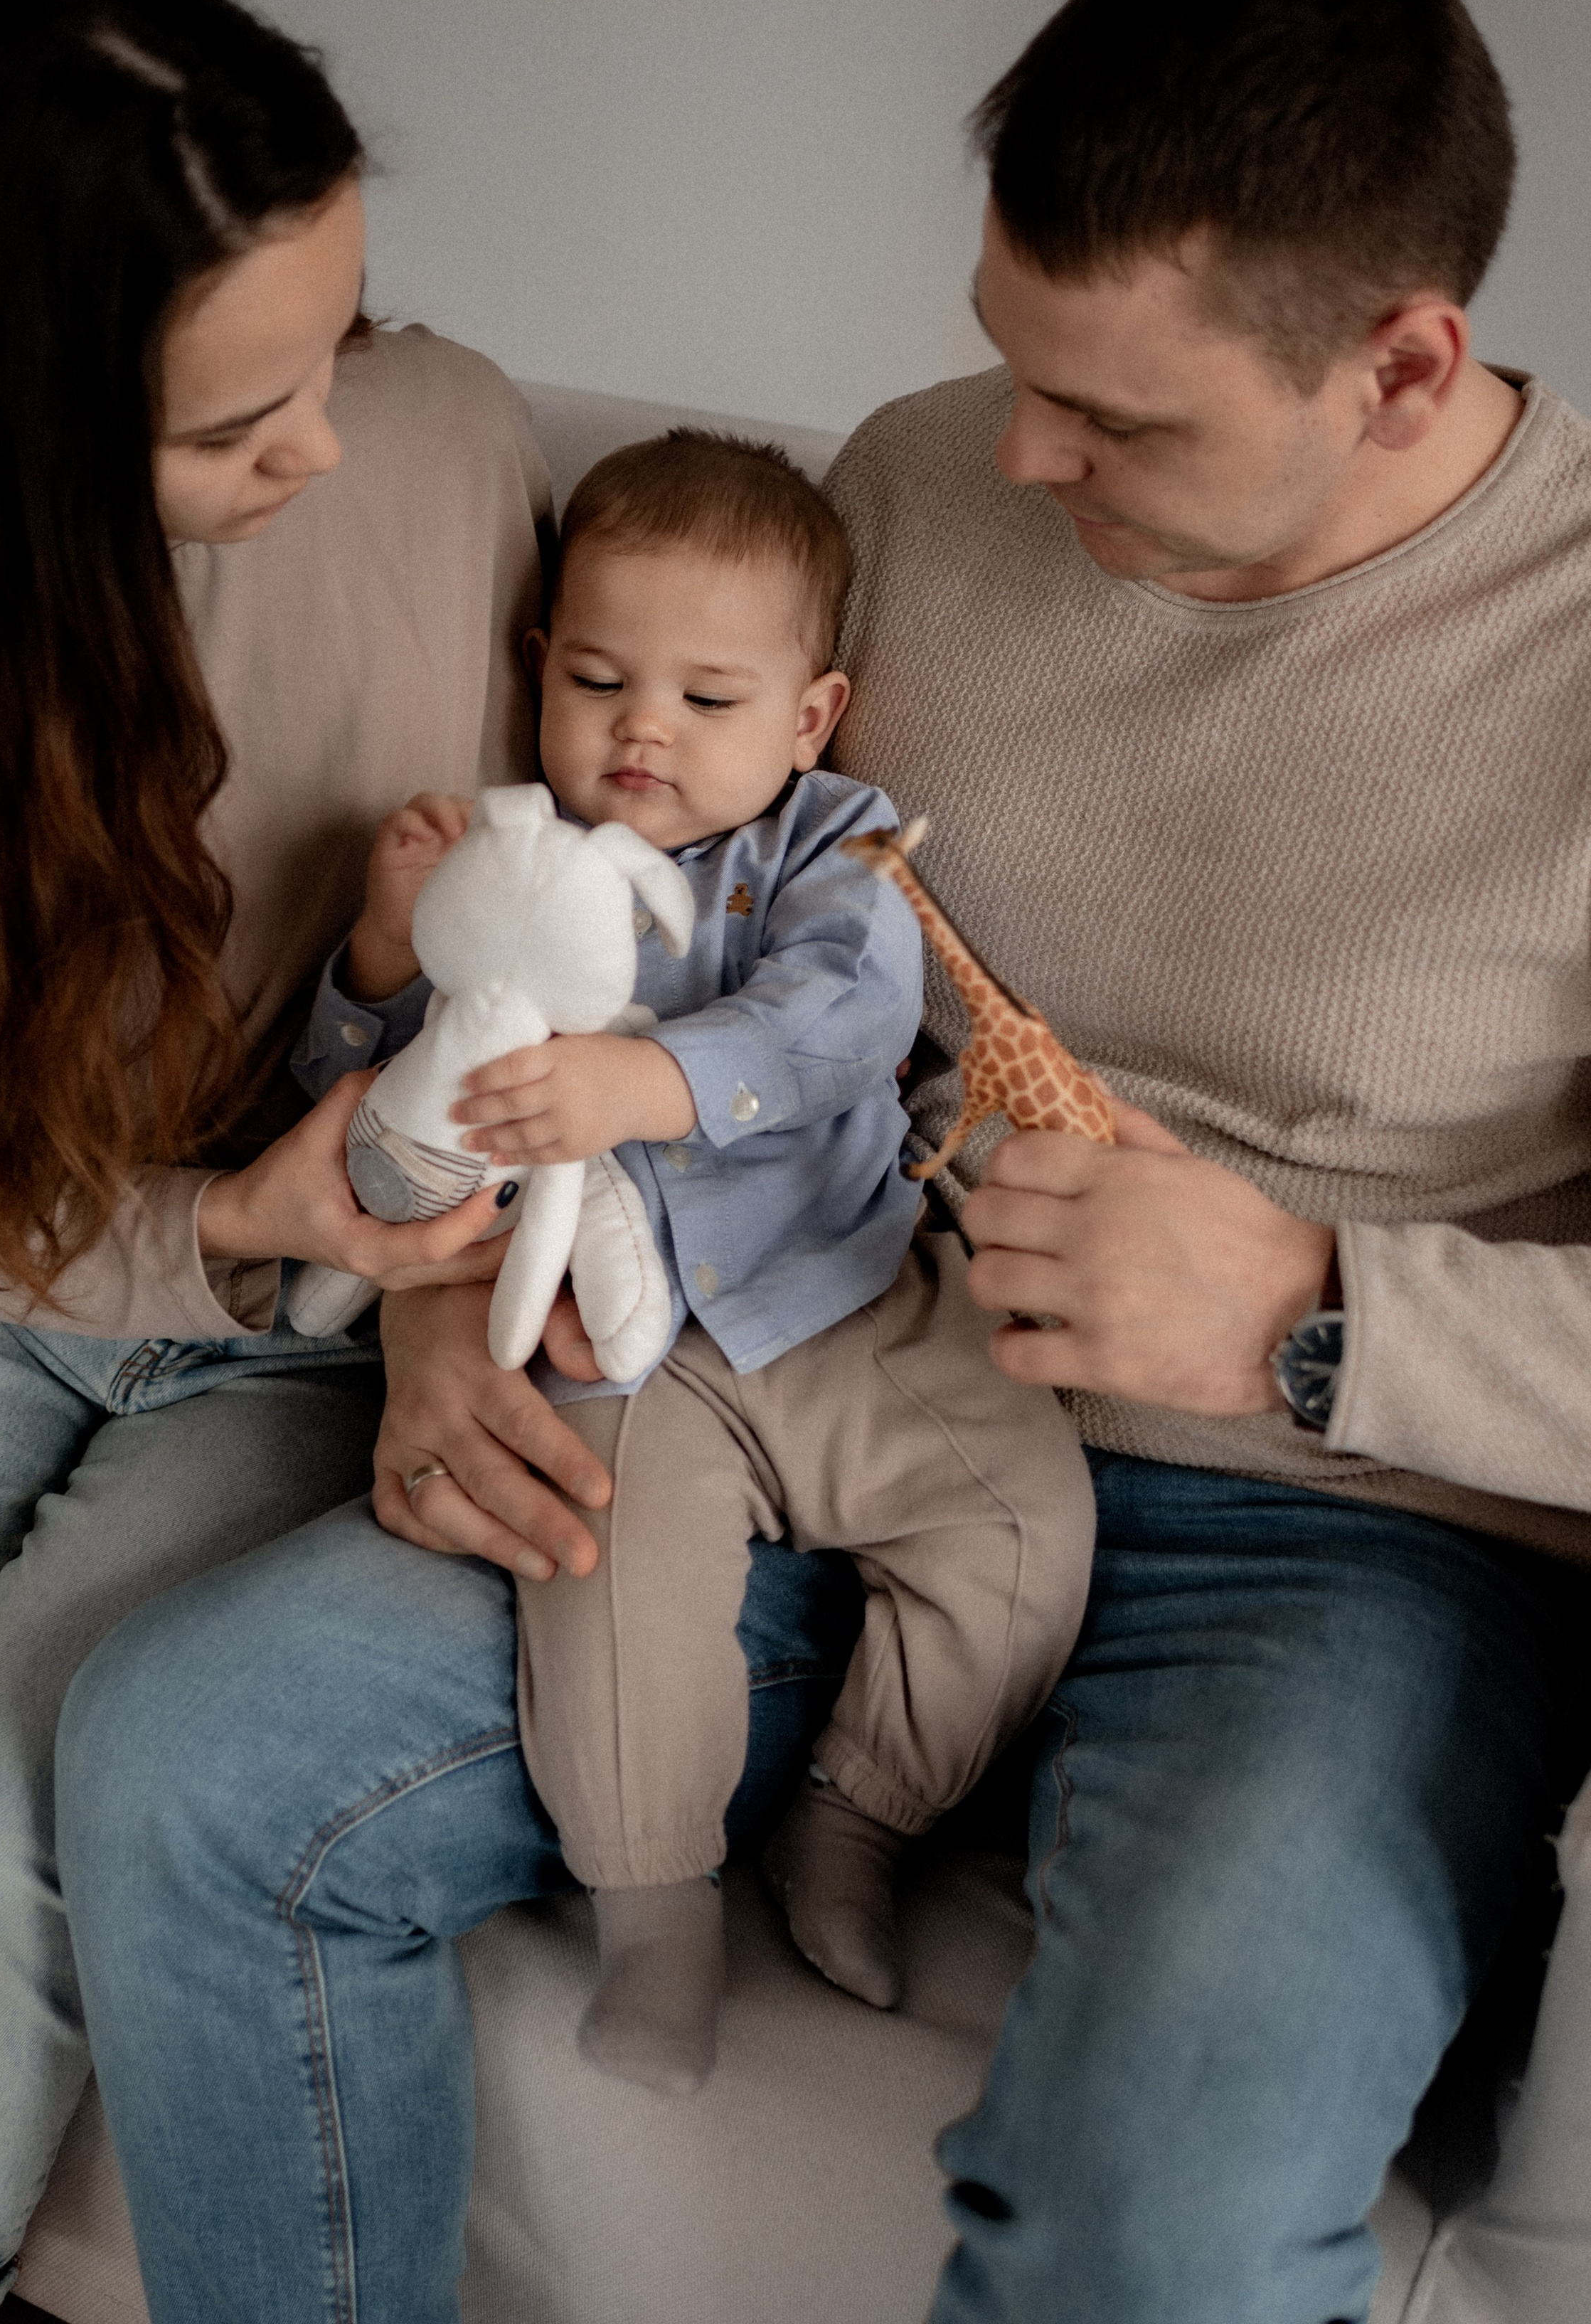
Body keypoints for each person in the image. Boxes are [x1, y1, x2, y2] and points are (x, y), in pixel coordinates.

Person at [58, 0, 1591, 2324]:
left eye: (1117, 417)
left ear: (1405, 363)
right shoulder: (910, 482)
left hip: (1341, 1544)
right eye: (1008, 359)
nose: (1016, 452)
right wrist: (444, 1316)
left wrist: (1316, 1307)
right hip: (785, 1354)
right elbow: (614, 941)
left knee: (1152, 2223)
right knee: (184, 1767)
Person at [0, 0, 553, 2324]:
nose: (325, 439)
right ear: (2, 440)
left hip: (311, 1326)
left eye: (337, 340)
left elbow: (571, 941)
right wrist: (194, 1215)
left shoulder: (448, 447)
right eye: (234, 425)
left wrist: (416, 1297)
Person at [297, 430, 1093, 2094]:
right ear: (540, 672)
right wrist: (383, 948)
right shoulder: (500, 860)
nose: (641, 729)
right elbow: (375, 1121)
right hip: (619, 1347)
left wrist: (642, 1080)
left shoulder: (831, 849)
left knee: (1026, 1522)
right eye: (597, 680)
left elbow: (844, 1019)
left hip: (847, 1297)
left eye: (708, 701)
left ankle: (856, 1818)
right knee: (601, 1591)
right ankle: (653, 1916)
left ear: (807, 716)